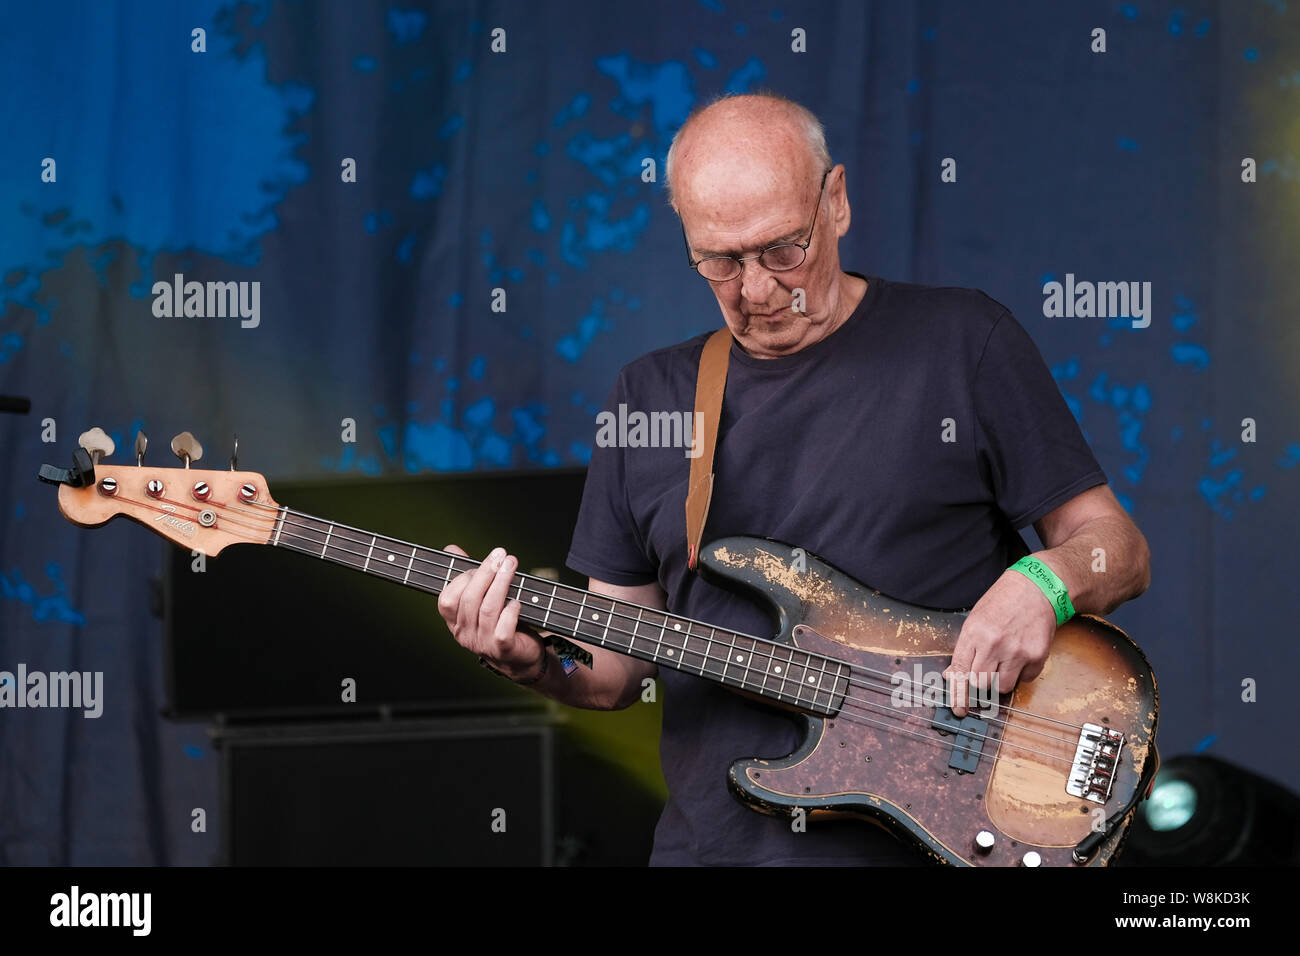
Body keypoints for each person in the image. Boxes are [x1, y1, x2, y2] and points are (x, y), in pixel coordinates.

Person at [436, 92, 1151, 866]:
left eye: (783, 249)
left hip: (941, 837)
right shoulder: (650, 398)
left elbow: (1118, 547)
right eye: (719, 261)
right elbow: (611, 672)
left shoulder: (963, 343)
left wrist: (1045, 582)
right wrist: (529, 661)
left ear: (835, 202)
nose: (758, 291)